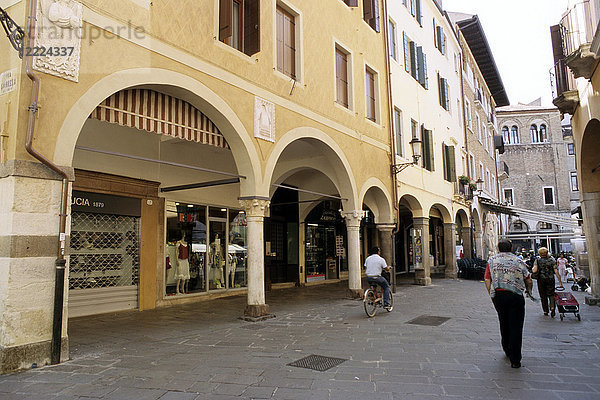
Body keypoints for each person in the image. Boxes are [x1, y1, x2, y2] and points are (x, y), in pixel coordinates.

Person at [485, 240, 533, 369]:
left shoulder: (492, 261)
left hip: (499, 295)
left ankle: (506, 348)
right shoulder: (518, 261)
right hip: (515, 295)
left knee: (504, 321)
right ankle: (515, 359)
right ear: (511, 248)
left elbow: (487, 279)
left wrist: (491, 294)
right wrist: (529, 291)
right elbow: (528, 278)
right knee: (516, 326)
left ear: (498, 248)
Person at [532, 247, 563, 317]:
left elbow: (534, 270)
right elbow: (556, 271)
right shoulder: (552, 260)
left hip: (541, 279)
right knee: (551, 294)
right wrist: (560, 282)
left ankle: (545, 310)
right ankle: (552, 307)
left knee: (543, 295)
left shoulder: (537, 260)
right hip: (551, 279)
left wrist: (533, 267)